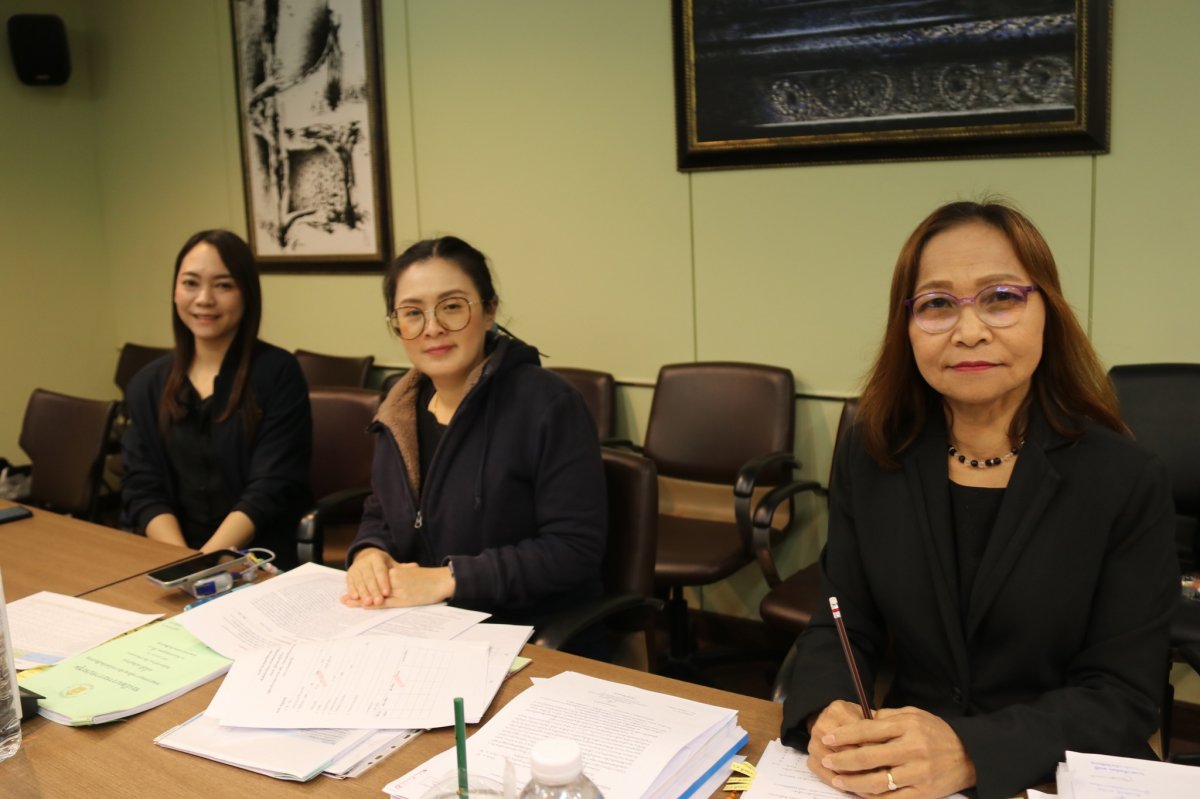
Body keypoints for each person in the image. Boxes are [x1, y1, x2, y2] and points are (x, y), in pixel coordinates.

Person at [780, 201, 1178, 799]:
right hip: (900, 770)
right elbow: (841, 621)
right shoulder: (874, 451)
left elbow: (1123, 694)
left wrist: (969, 751)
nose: (969, 331)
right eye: (937, 304)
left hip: (1049, 772)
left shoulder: (1124, 476)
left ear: (1047, 313)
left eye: (1001, 297)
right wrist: (826, 710)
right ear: (907, 325)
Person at [340, 236, 606, 628]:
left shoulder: (549, 404)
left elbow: (574, 549)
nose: (433, 328)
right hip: (421, 622)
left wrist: (448, 580)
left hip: (523, 628)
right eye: (412, 313)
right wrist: (369, 552)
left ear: (489, 310)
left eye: (451, 307)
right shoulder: (398, 407)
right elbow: (381, 511)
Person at [121, 230, 311, 570]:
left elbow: (271, 485)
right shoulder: (147, 384)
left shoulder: (279, 373)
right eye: (190, 283)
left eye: (223, 285)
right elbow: (142, 485)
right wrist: (180, 562)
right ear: (175, 292)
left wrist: (207, 562)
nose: (204, 299)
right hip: (168, 559)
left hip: (256, 560)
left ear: (247, 293)